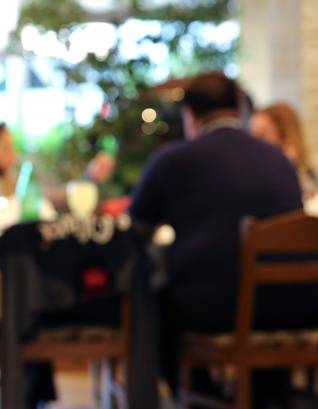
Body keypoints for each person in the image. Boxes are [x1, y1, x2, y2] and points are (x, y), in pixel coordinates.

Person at [129, 71, 312, 407]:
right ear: (238, 109)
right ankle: (266, 394)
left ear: (190, 115)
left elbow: (136, 228)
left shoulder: (174, 159)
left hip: (218, 311)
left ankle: (196, 395)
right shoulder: (279, 160)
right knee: (260, 295)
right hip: (297, 306)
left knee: (156, 295)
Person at [250, 102, 318, 196]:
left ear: (286, 138)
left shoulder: (300, 174)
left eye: (262, 135)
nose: (252, 143)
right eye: (251, 136)